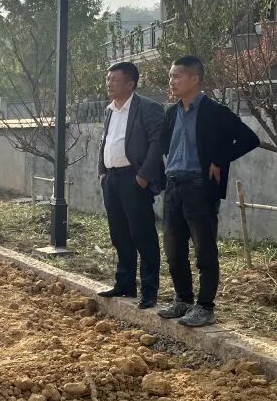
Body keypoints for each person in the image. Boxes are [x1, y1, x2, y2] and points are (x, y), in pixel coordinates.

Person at [158, 56, 259, 327]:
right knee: (173, 249)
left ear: (195, 79)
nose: (172, 81)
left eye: (177, 76)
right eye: (171, 76)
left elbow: (250, 139)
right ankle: (183, 299)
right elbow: (165, 144)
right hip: (173, 186)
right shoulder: (171, 113)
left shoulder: (215, 112)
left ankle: (205, 306)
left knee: (204, 249)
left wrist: (218, 159)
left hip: (200, 187)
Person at [96, 62, 165, 309]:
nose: (109, 84)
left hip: (134, 179)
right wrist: (102, 172)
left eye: (114, 80)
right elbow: (106, 142)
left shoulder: (148, 108)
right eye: (108, 79)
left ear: (130, 83)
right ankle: (125, 284)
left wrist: (143, 176)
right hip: (111, 180)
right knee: (119, 234)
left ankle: (149, 291)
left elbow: (157, 143)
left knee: (142, 235)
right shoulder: (110, 110)